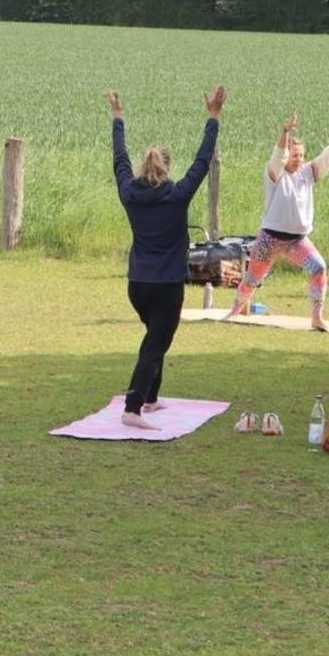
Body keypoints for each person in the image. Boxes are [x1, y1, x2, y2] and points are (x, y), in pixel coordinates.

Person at [109, 87, 224, 430]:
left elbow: (119, 160)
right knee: (156, 343)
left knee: (154, 338)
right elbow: (203, 161)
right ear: (166, 167)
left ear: (144, 167)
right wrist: (213, 118)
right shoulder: (177, 195)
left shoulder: (129, 192)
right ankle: (133, 408)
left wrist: (117, 117)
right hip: (167, 284)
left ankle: (151, 397)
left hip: (137, 285)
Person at [228, 111, 329, 331]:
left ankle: (316, 317)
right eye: (294, 155)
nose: (299, 159)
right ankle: (234, 311)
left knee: (318, 268)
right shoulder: (274, 172)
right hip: (270, 239)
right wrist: (284, 132)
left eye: (301, 155)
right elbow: (278, 154)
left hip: (297, 241)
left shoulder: (308, 172)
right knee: (253, 278)